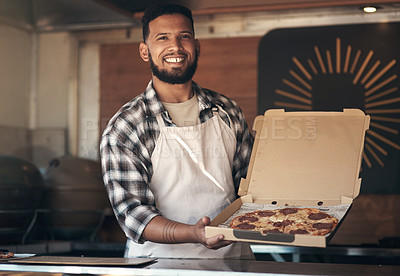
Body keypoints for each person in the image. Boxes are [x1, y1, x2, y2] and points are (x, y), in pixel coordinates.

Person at [100, 4, 254, 259]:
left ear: (197, 46)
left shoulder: (227, 110)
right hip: (160, 266)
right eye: (163, 38)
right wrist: (194, 233)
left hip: (231, 263)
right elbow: (133, 215)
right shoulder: (126, 127)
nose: (176, 46)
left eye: (184, 36)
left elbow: (249, 187)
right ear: (145, 51)